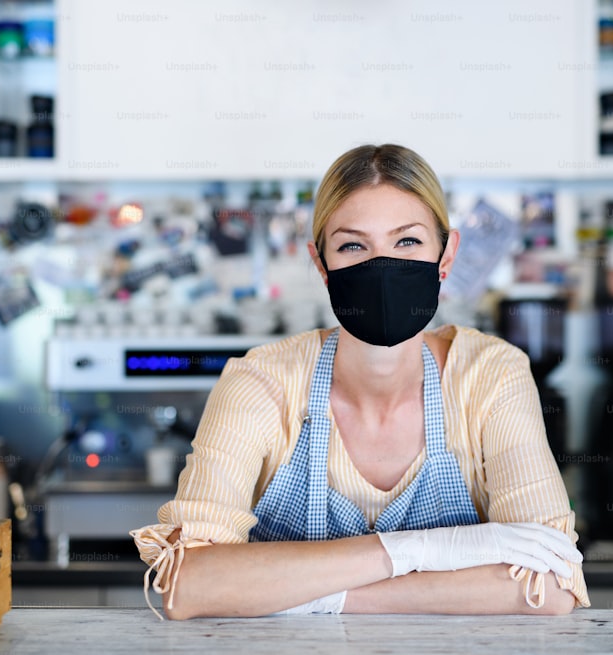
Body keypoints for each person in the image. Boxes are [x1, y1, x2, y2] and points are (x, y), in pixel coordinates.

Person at [132, 144, 589, 620]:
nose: (382, 266)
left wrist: (311, 596)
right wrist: (414, 552)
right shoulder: (260, 383)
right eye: (353, 245)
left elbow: (553, 584)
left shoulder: (490, 377)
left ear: (446, 256)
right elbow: (190, 583)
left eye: (407, 242)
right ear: (322, 266)